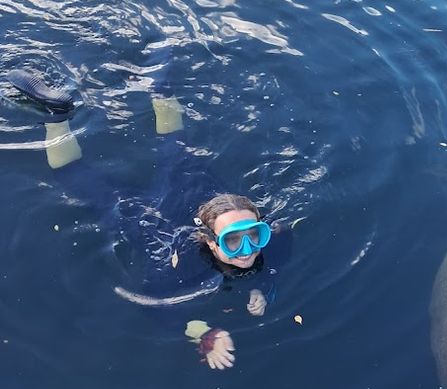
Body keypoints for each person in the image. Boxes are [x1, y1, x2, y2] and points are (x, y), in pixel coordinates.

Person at [6, 66, 293, 369]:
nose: (248, 250)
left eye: (255, 235)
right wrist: (203, 333)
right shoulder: (184, 260)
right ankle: (57, 116)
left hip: (194, 189)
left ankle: (161, 89)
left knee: (178, 150)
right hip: (149, 215)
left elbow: (276, 257)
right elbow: (156, 303)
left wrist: (262, 286)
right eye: (233, 241)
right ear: (209, 243)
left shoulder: (276, 239)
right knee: (72, 175)